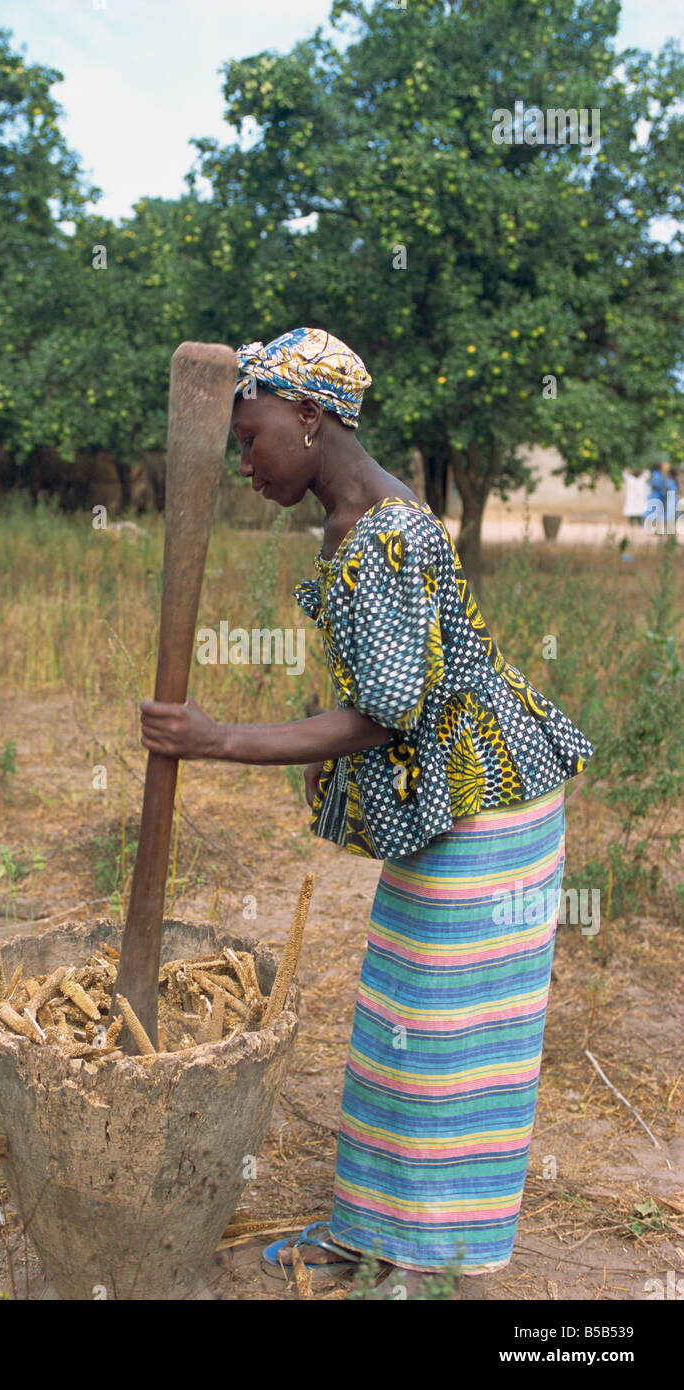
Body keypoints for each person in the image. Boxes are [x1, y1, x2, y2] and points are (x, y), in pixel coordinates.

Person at [139, 327, 595, 1291]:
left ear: (310, 417)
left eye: (253, 439)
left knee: (449, 1046)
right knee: (400, 1030)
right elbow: (390, 685)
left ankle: (431, 1262)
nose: (246, 465)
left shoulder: (386, 533)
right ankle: (371, 1235)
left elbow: (386, 714)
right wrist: (320, 748)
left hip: (489, 807)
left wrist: (219, 738)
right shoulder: (355, 517)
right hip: (453, 804)